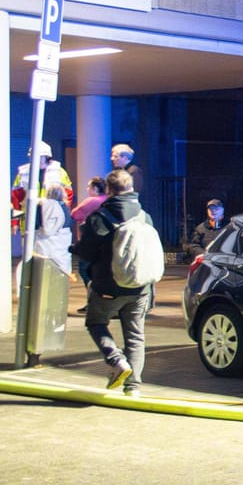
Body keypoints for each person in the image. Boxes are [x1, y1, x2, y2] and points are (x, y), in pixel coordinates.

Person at [73, 169, 154, 396]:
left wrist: (75, 248)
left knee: (96, 322)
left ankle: (116, 360)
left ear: (109, 190)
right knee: (135, 335)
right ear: (131, 188)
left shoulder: (100, 218)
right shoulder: (144, 216)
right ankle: (133, 388)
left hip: (109, 287)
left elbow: (86, 252)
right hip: (140, 287)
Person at [12, 143, 72, 236]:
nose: (36, 159)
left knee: (51, 247)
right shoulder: (23, 173)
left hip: (52, 219)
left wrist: (62, 215)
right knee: (29, 249)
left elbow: (68, 197)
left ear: (47, 156)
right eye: (33, 156)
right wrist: (14, 222)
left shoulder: (59, 172)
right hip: (29, 220)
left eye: (40, 156)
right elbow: (15, 199)